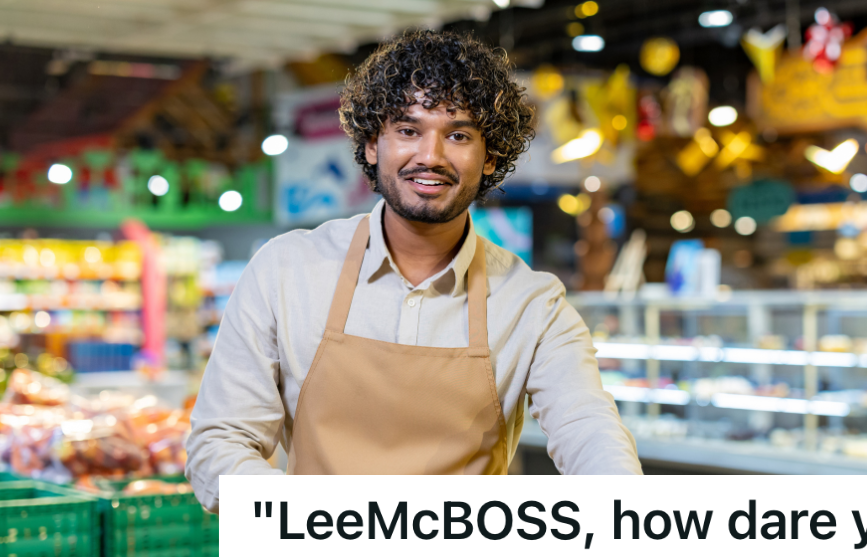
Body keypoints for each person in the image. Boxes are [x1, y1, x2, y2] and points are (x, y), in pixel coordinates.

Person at [185, 31, 642, 512]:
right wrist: (317, 526)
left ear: (490, 158)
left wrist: (625, 516)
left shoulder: (532, 303)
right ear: (370, 145)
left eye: (459, 135)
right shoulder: (286, 270)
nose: (431, 156)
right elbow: (220, 444)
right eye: (407, 130)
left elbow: (588, 430)